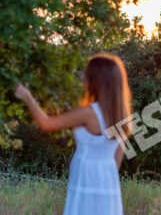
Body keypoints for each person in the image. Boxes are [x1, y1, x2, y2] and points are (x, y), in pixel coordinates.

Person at [14, 53, 132, 215]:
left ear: (96, 80)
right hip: (108, 182)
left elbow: (46, 124)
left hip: (85, 178)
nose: (83, 76)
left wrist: (27, 97)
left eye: (87, 73)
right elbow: (117, 156)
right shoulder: (120, 116)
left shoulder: (88, 113)